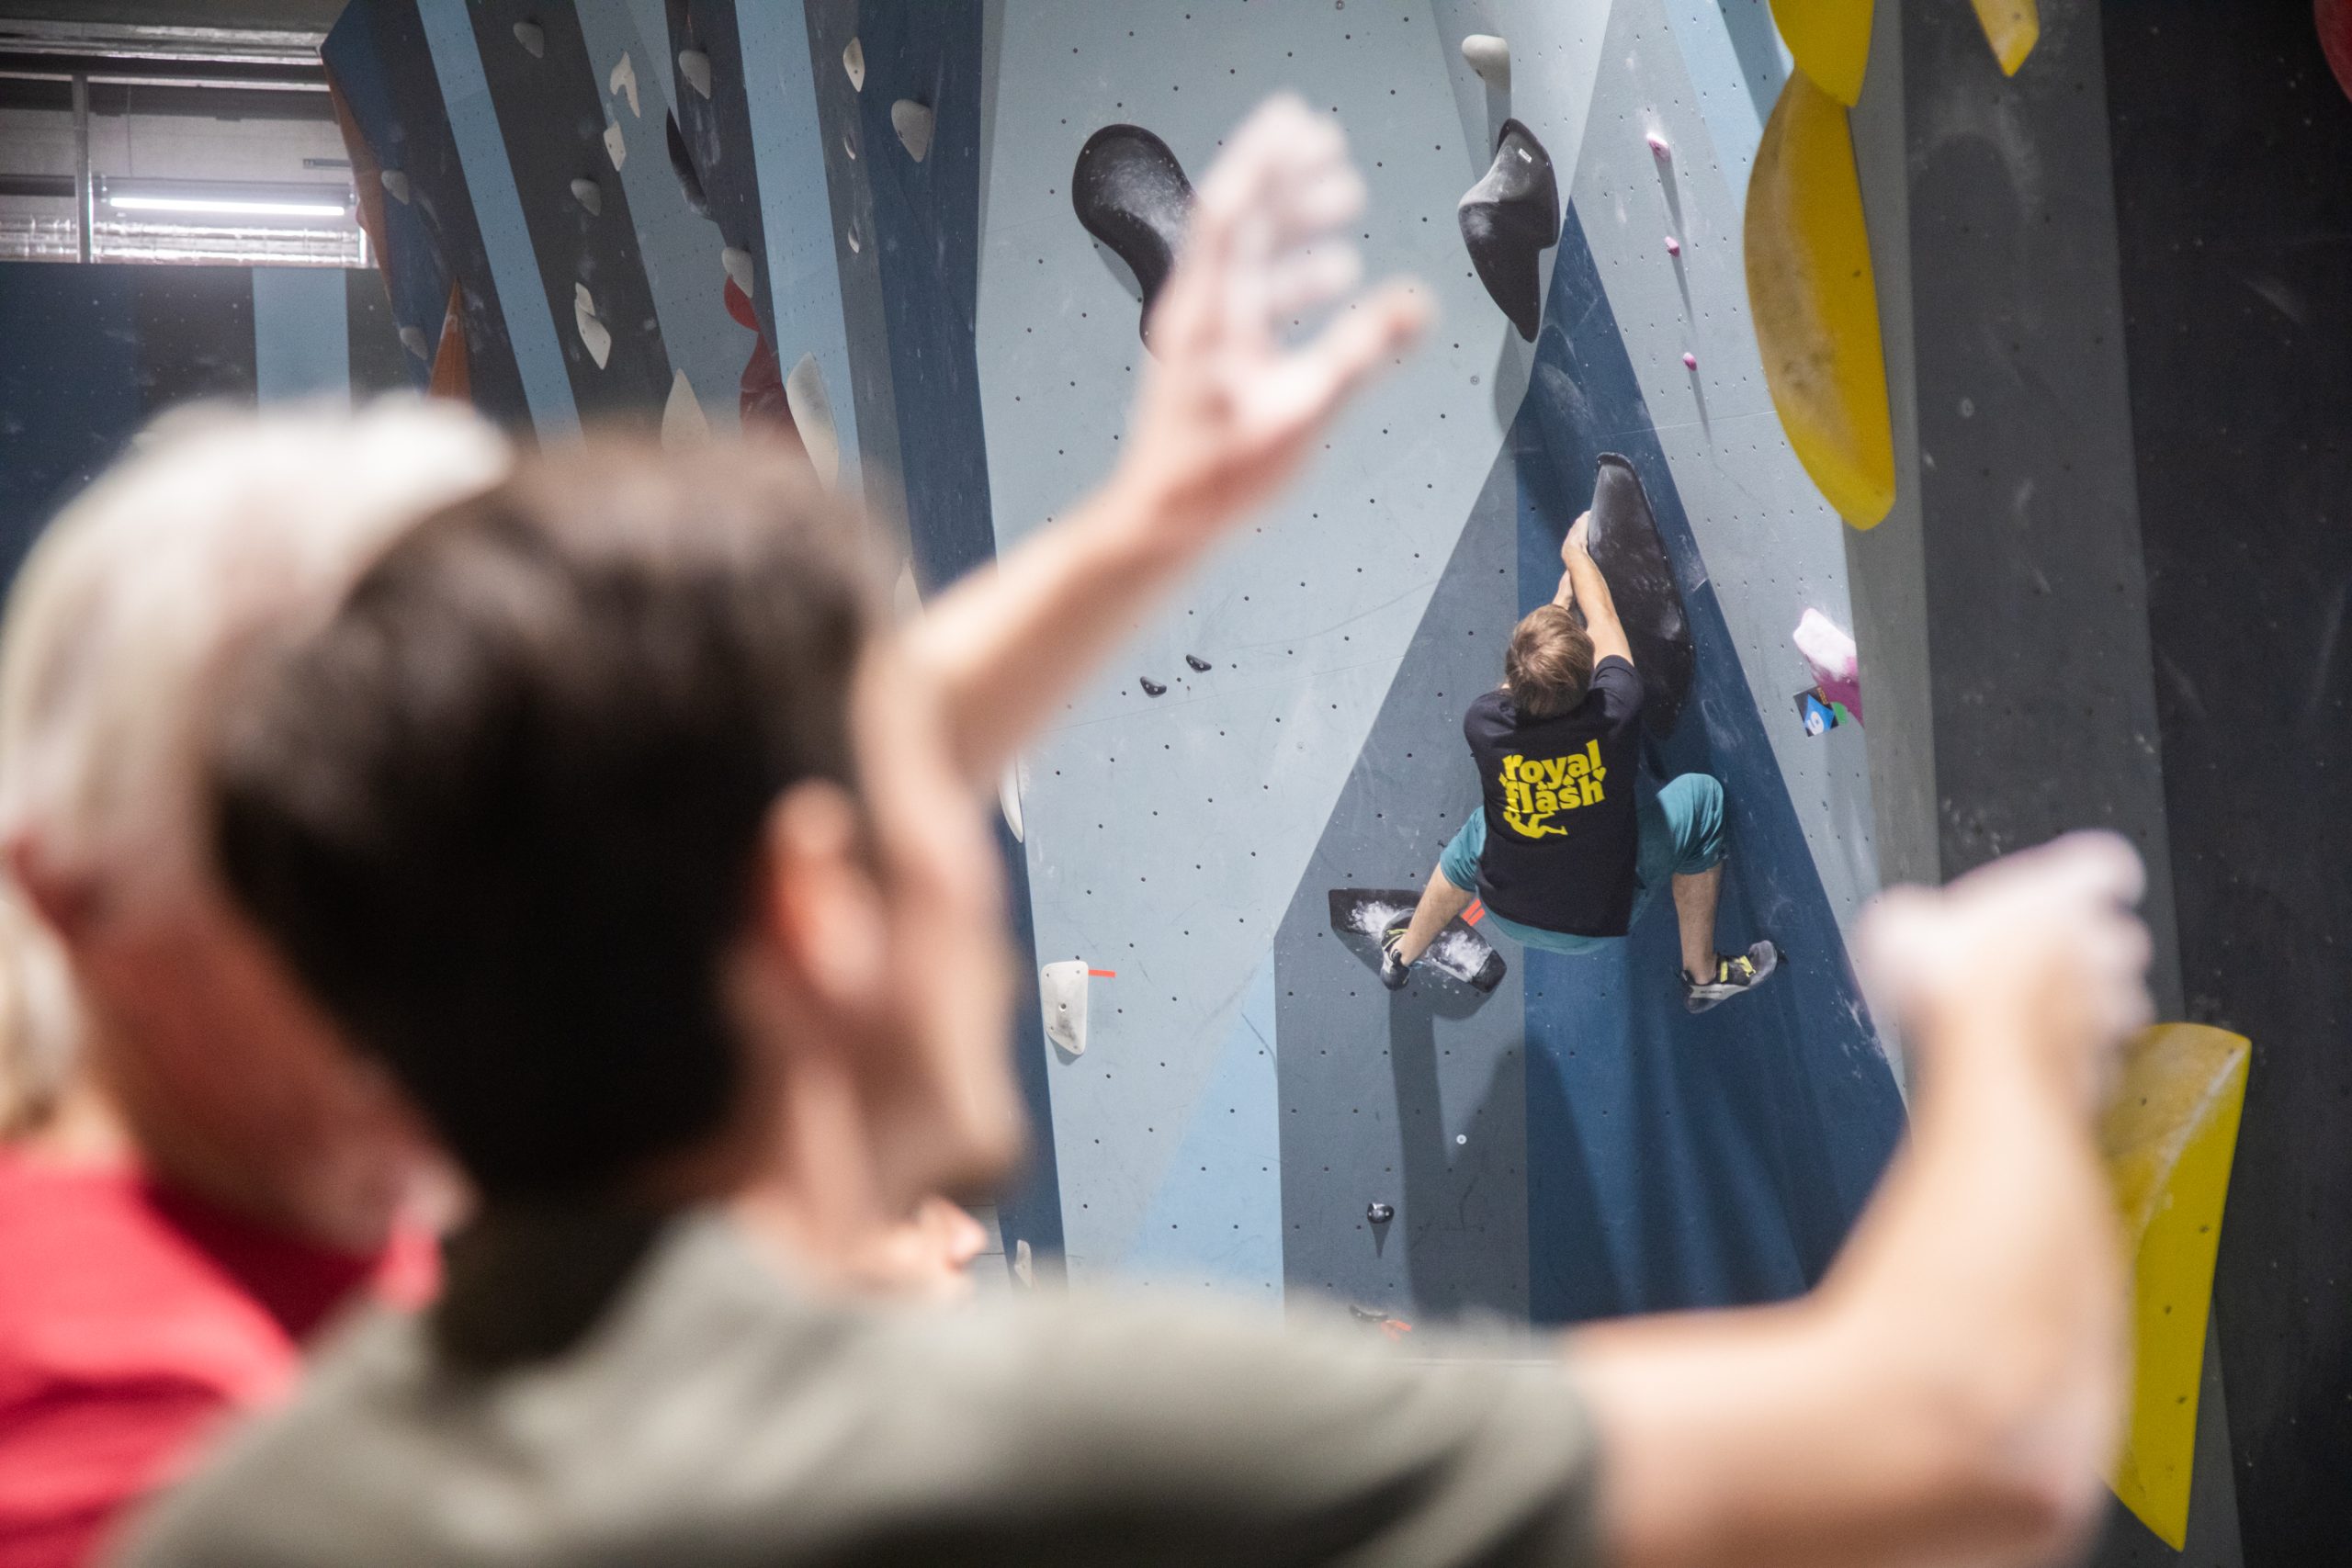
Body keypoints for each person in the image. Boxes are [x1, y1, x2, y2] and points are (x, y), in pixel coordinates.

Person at [123, 98, 2146, 1568]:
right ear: (804, 913)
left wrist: (1149, 519)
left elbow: (771, 783)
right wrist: (1998, 1039)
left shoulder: (273, 1498)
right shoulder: (1005, 1441)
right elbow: (1957, 1436)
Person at [0, 405, 500, 1568]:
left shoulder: (320, 1225)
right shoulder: (106, 1401)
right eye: (331, 887)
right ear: (77, 897)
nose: (458, 961)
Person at [1380, 508, 1776, 1011]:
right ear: (1590, 672)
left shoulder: (1484, 724)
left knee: (1482, 831)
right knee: (1704, 799)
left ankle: (1403, 954)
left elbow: (1523, 679)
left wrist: (1556, 606)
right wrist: (1574, 554)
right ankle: (1701, 974)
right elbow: (1605, 618)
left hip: (1504, 906)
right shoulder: (1617, 708)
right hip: (1597, 921)